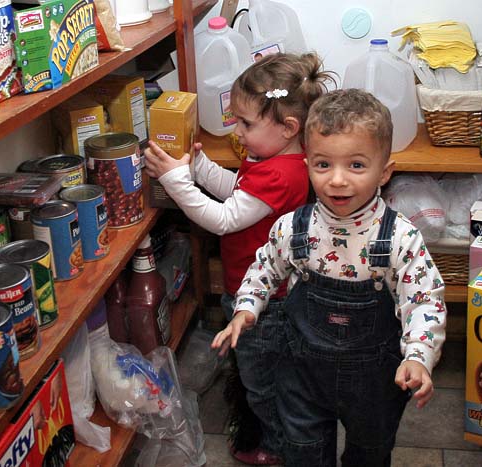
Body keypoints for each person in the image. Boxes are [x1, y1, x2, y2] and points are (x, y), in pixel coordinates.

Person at [213, 89, 447, 466]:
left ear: (384, 172)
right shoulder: (294, 227)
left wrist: (419, 356)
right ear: (308, 164)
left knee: (369, 454)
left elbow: (424, 301)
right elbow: (264, 268)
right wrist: (246, 308)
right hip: (303, 377)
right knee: (303, 451)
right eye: (323, 164)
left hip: (375, 385)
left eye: (356, 165)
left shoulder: (400, 238)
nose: (337, 180)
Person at [145, 52, 337, 465]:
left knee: (262, 382)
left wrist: (175, 181)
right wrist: (199, 168)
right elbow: (240, 189)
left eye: (246, 124)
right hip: (255, 290)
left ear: (289, 128)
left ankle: (278, 446)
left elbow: (224, 218)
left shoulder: (281, 174)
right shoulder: (274, 159)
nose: (237, 131)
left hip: (265, 302)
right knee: (262, 372)